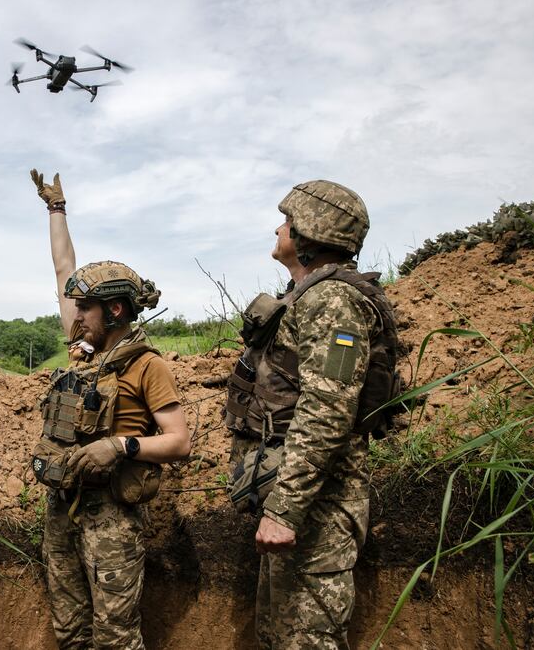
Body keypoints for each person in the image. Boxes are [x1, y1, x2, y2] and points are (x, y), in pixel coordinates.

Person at [223, 181, 398, 649]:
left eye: (288, 222)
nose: (278, 228)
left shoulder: (332, 301)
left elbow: (327, 411)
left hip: (317, 511)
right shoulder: (306, 295)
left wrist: (284, 508)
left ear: (310, 234)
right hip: (303, 508)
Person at [29, 169, 192, 649]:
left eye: (84, 309)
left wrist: (120, 445)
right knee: (71, 632)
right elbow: (64, 270)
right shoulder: (87, 348)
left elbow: (179, 441)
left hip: (113, 522)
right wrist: (56, 211)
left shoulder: (147, 366)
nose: (74, 316)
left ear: (115, 311)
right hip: (62, 508)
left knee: (115, 638)